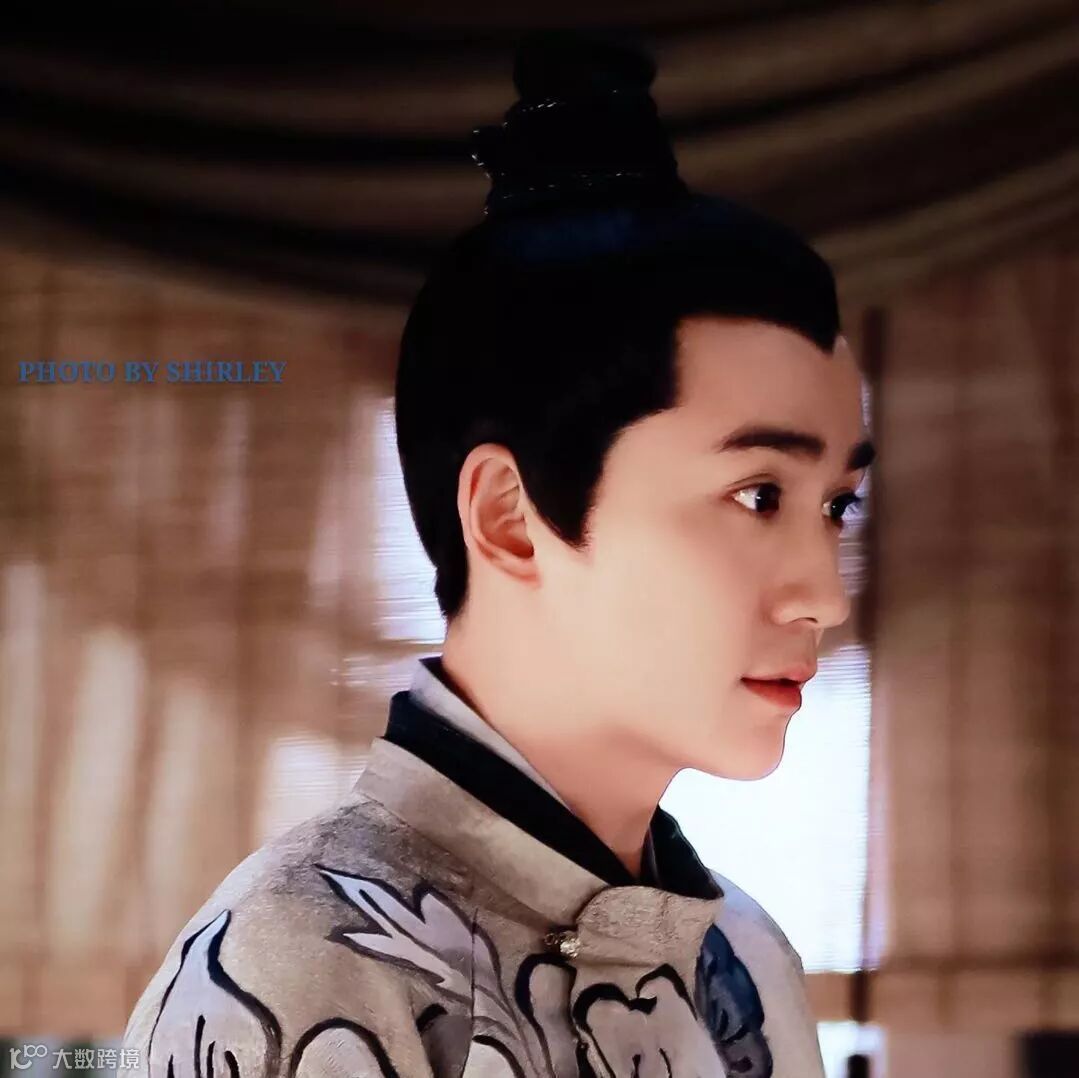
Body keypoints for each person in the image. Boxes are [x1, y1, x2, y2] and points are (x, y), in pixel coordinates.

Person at [122, 28, 874, 1078]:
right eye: (757, 495)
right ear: (510, 516)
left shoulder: (745, 962)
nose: (823, 597)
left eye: (836, 504)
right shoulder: (294, 971)